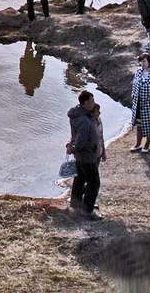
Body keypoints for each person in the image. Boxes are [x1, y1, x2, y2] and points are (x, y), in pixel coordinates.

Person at [66, 90, 106, 220]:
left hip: (81, 156)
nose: (93, 104)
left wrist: (72, 147)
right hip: (87, 156)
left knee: (80, 179)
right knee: (94, 183)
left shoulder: (77, 115)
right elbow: (81, 140)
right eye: (92, 101)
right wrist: (74, 147)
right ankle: (87, 210)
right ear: (85, 103)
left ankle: (76, 203)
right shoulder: (84, 120)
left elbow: (76, 137)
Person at [129, 53, 150, 153]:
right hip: (139, 104)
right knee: (139, 125)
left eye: (144, 61)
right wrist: (134, 96)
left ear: (149, 62)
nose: (142, 64)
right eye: (141, 61)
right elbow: (134, 85)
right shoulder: (138, 71)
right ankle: (138, 143)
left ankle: (147, 144)